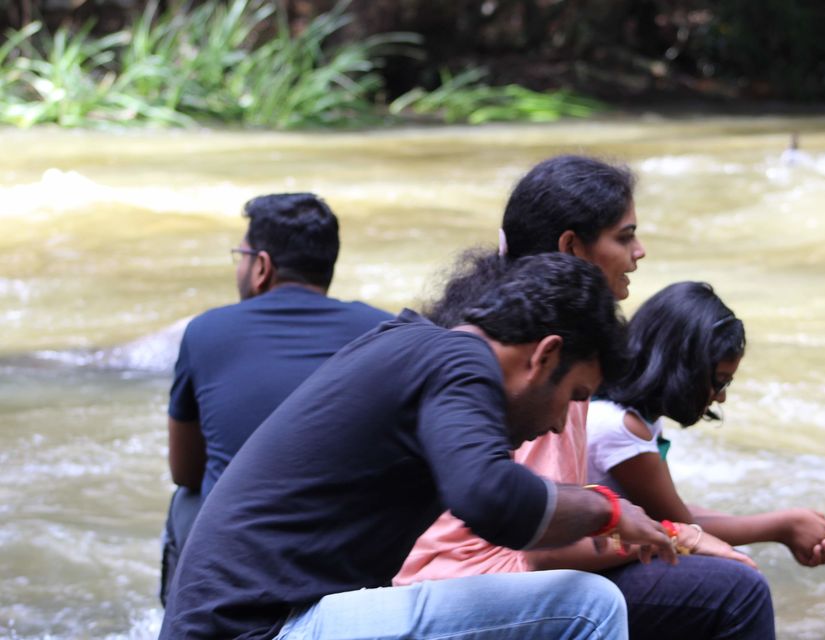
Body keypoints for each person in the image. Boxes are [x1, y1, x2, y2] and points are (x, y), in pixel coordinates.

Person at [160, 252, 681, 640]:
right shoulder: (460, 363)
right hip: (257, 628)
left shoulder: (419, 346)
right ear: (544, 357)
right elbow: (492, 500)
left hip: (249, 618)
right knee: (589, 607)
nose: (555, 424)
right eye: (574, 397)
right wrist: (608, 510)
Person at [397, 154, 775, 640]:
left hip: (446, 582)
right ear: (571, 247)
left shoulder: (492, 324)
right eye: (624, 236)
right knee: (734, 589)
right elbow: (540, 542)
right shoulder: (541, 354)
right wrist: (680, 537)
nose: (639, 252)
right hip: (480, 589)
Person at [161, 193, 393, 605]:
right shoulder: (387, 333)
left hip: (235, 571)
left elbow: (185, 472)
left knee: (185, 500)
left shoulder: (206, 332)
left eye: (241, 255)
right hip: (348, 560)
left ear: (262, 266)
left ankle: (181, 620)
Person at [587, 280, 825, 567]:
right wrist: (783, 526)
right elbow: (684, 527)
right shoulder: (620, 427)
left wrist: (790, 522)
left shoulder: (631, 414)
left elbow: (676, 514)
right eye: (718, 381)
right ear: (681, 368)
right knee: (733, 573)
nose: (720, 397)